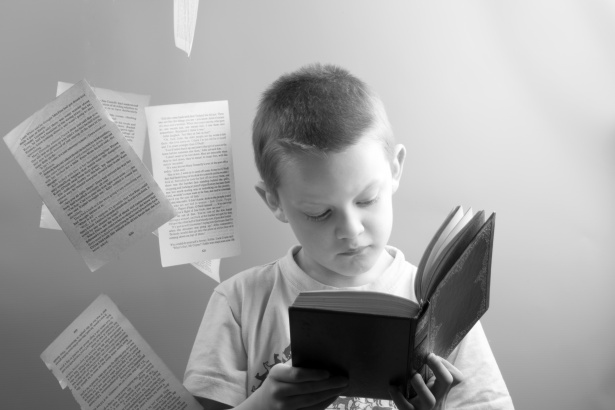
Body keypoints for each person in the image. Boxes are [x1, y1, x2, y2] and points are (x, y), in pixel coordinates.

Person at [183, 63, 514, 410]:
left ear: (395, 169)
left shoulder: (440, 305)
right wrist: (263, 405)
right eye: (319, 213)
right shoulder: (239, 302)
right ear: (274, 201)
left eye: (367, 199)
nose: (351, 230)